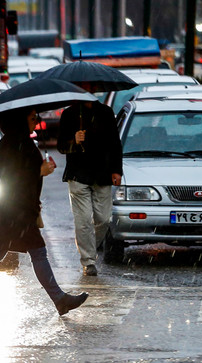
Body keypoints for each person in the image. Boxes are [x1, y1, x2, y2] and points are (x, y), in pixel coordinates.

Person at [0, 108, 89, 317]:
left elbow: (22, 172)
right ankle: (59, 299)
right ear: (20, 121)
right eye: (32, 118)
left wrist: (39, 169)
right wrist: (38, 171)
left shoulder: (20, 141)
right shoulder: (12, 143)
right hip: (14, 210)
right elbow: (12, 176)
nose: (36, 122)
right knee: (32, 252)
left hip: (14, 209)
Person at [57, 86, 123, 276]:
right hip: (78, 175)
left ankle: (90, 249)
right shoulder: (69, 114)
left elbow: (114, 143)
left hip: (102, 174)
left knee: (103, 219)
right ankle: (88, 261)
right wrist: (74, 141)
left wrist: (116, 170)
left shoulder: (105, 112)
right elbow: (61, 146)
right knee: (83, 220)